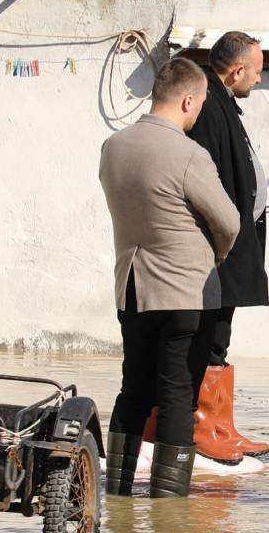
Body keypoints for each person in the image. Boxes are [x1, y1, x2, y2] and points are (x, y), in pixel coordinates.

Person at [100, 58, 240, 498]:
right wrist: (215, 255)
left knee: (133, 391)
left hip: (133, 288)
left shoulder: (113, 146)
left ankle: (116, 491)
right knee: (178, 394)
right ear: (186, 100)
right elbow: (229, 221)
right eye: (198, 105)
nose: (198, 114)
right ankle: (167, 506)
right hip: (185, 291)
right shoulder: (189, 154)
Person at [142, 31, 269, 459]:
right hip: (217, 248)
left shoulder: (219, 102)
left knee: (219, 335)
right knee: (210, 337)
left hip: (229, 244)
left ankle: (220, 425)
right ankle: (204, 428)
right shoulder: (208, 105)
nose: (259, 80)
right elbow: (205, 182)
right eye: (256, 72)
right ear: (236, 70)